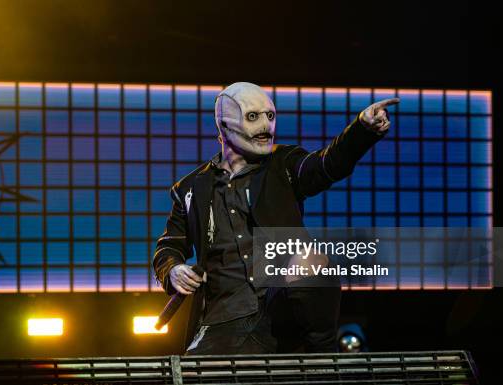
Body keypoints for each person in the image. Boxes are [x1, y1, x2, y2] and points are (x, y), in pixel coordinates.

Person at [152, 82, 399, 354]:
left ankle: (324, 361)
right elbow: (169, 246)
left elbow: (327, 165)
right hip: (221, 317)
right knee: (195, 376)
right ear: (224, 125)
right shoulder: (189, 188)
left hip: (278, 310)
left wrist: (361, 131)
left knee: (308, 258)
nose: (266, 126)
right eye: (252, 117)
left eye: (270, 116)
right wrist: (173, 269)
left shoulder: (284, 163)